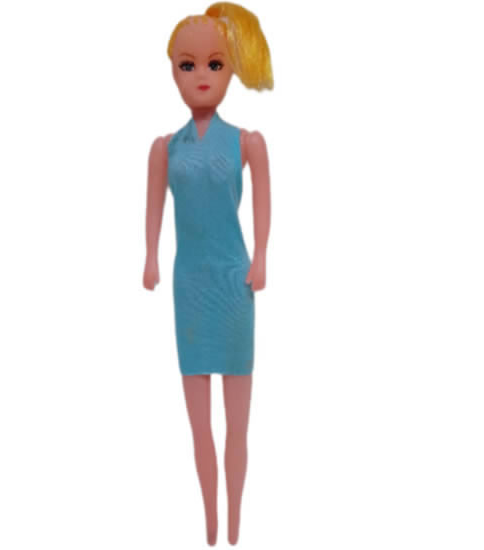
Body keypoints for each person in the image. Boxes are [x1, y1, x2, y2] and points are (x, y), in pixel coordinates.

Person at [143, 2, 272, 545]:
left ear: (232, 69)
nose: (201, 76)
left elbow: (262, 205)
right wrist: (150, 256)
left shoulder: (247, 142)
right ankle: (211, 521)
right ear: (173, 69)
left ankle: (236, 517)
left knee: (237, 425)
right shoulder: (164, 148)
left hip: (234, 285)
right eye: (188, 65)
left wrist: (261, 257)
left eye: (215, 64)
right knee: (200, 426)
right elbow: (154, 208)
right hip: (190, 286)